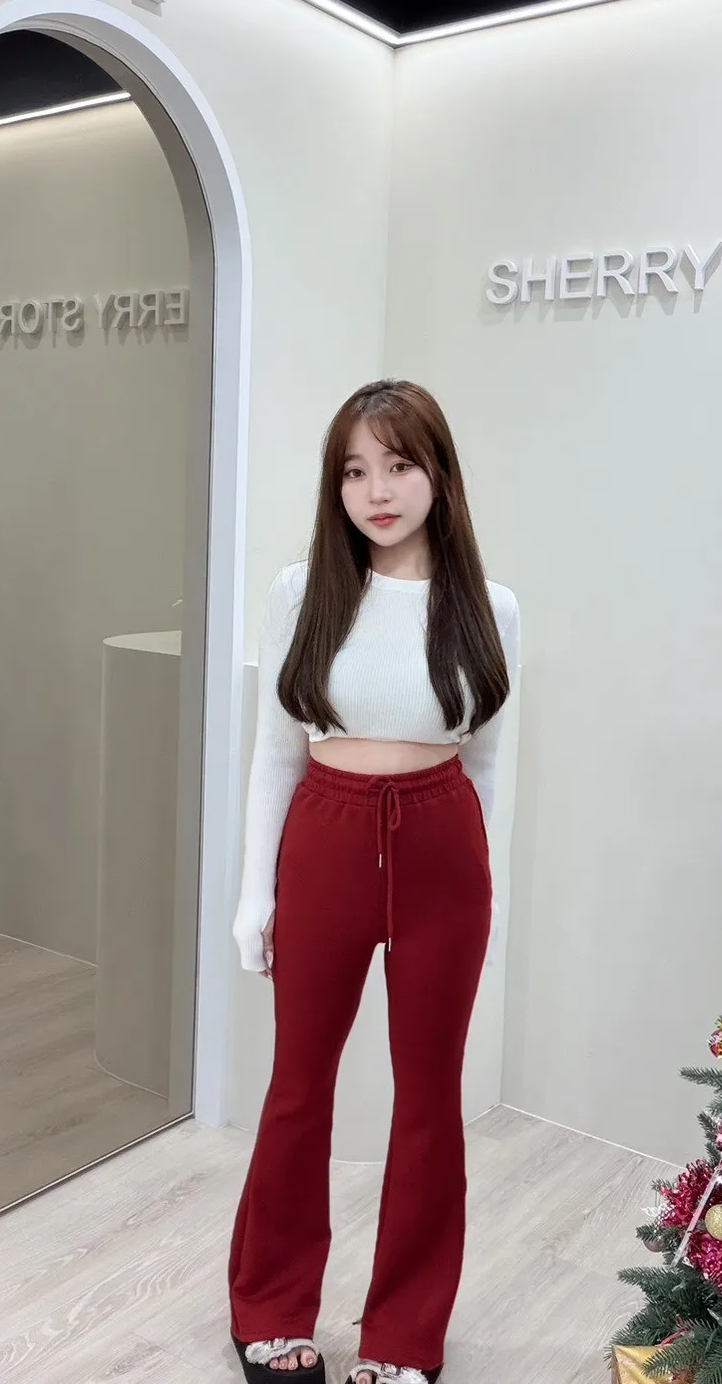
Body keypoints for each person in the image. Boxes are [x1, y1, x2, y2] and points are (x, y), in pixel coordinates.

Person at [227, 379, 520, 1384]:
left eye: (398, 465)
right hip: (327, 834)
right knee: (298, 1086)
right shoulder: (301, 590)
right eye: (355, 471)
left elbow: (487, 767)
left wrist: (490, 898)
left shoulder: (491, 608)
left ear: (438, 473)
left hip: (444, 848)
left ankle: (404, 1336)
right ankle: (269, 1307)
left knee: (429, 1098)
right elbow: (275, 754)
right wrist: (255, 893)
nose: (377, 491)